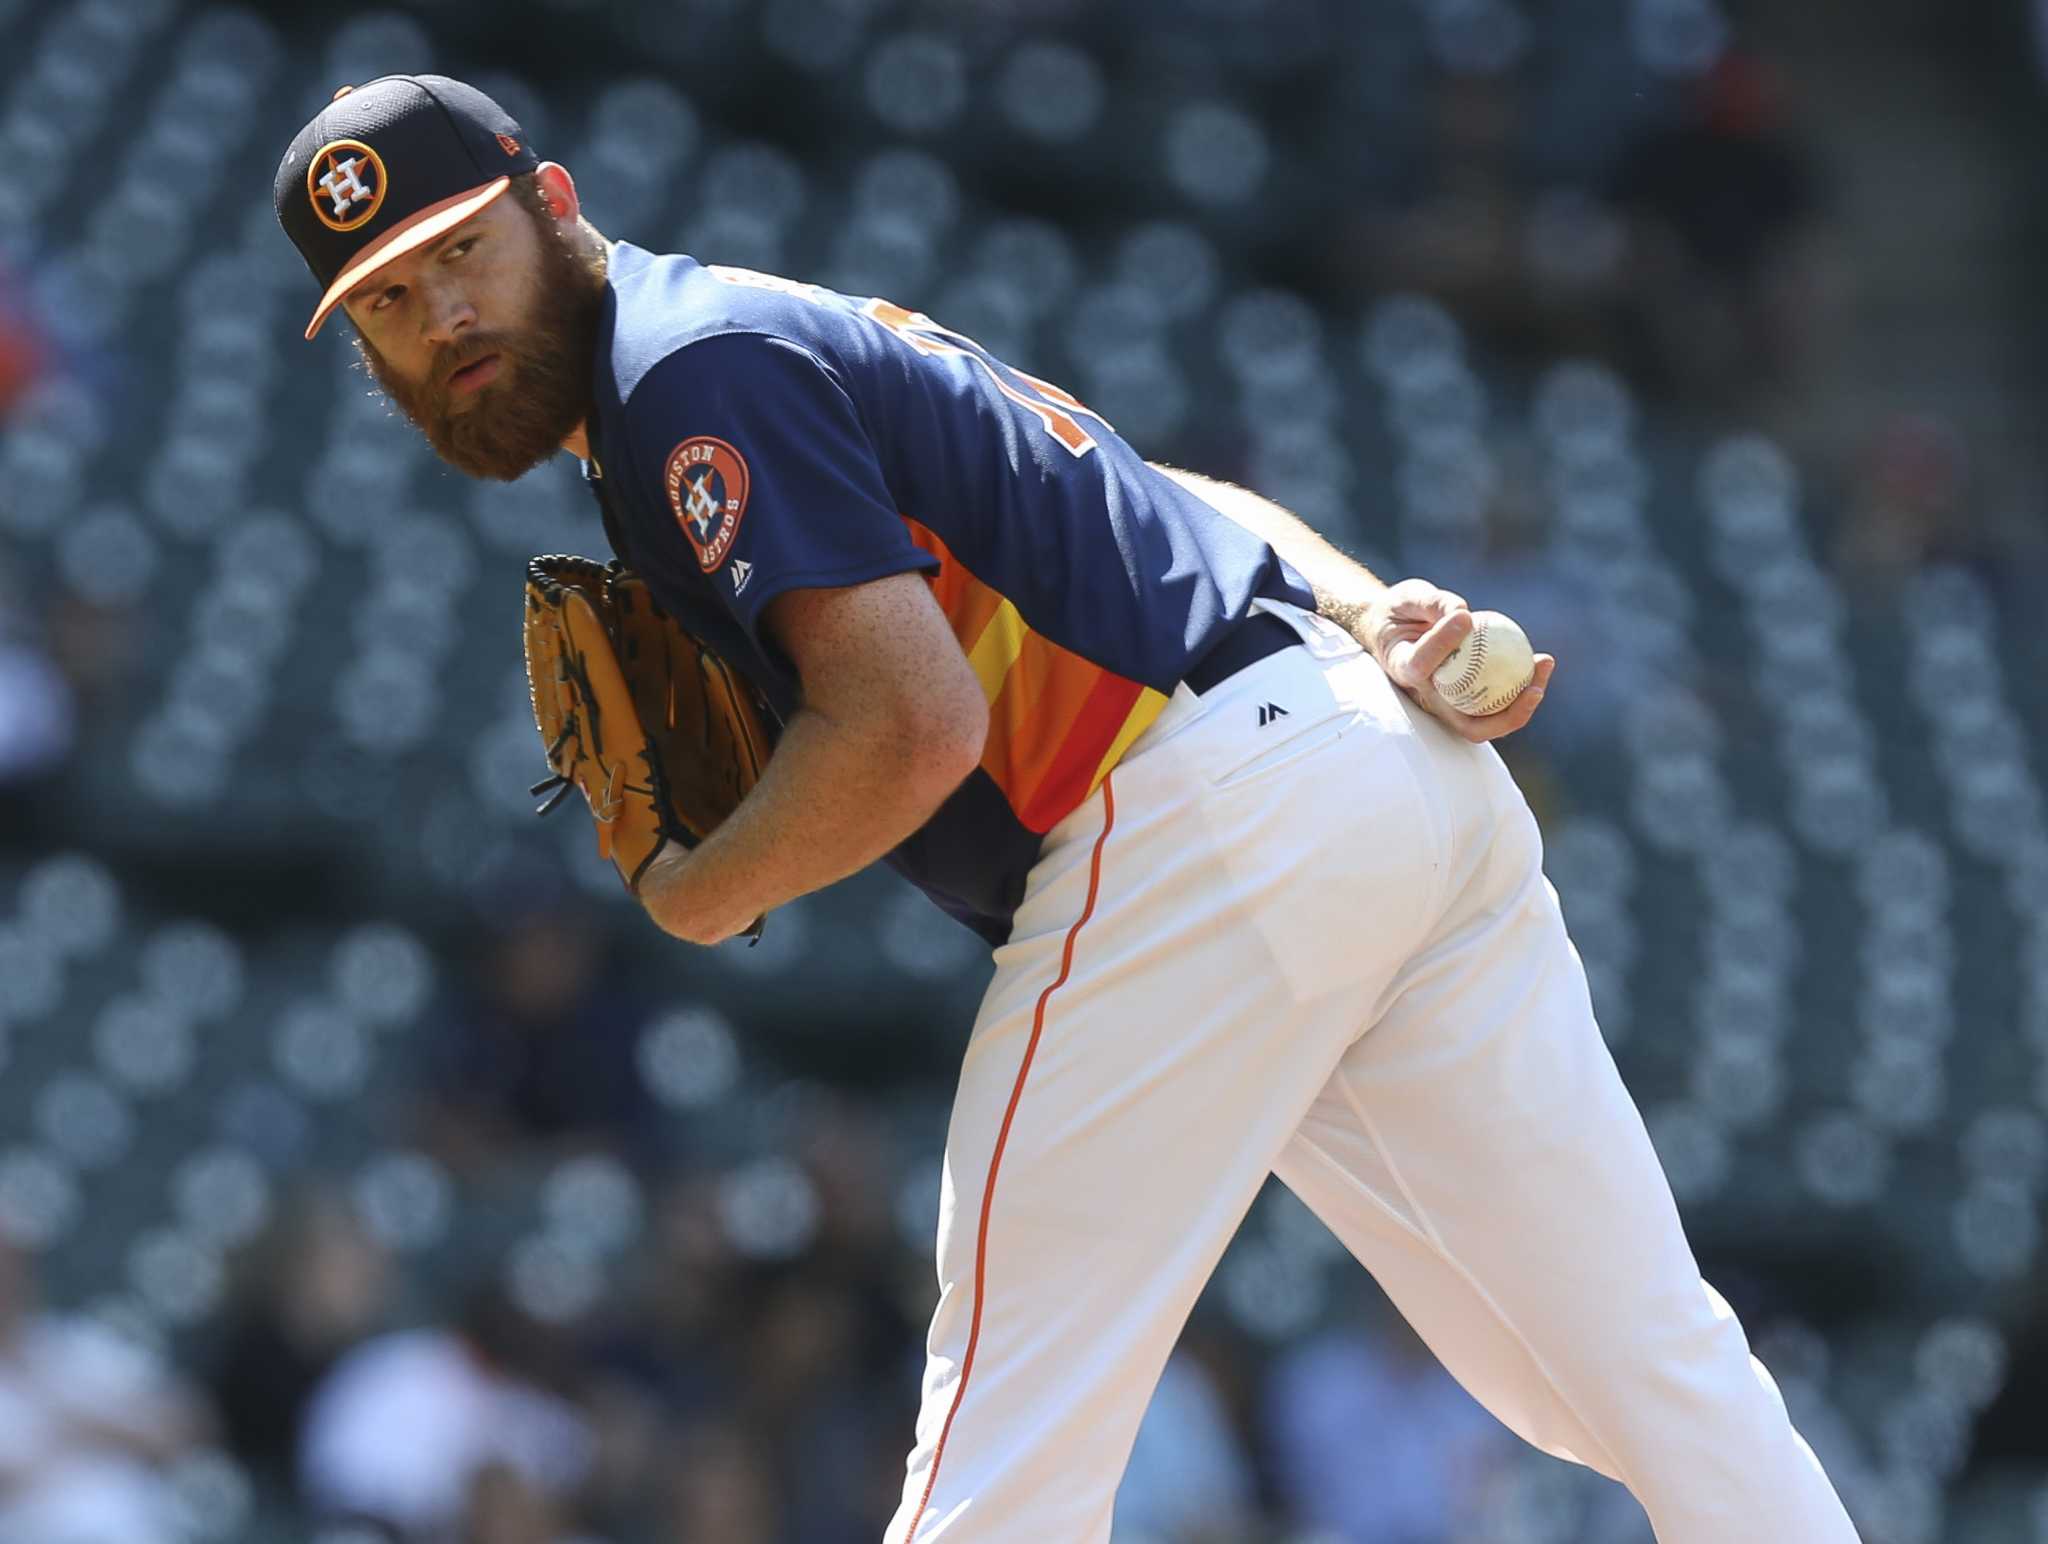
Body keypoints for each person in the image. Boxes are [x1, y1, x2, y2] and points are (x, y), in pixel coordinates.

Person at [273, 76, 1860, 1542]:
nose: (446, 315)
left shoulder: (681, 380)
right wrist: (1366, 607)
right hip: (1371, 777)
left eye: (461, 250)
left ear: (550, 202)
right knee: (1624, 1376)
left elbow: (912, 729)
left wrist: (698, 892)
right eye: (393, 302)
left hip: (1191, 823)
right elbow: (1160, 484)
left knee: (1001, 1452)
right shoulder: (749, 332)